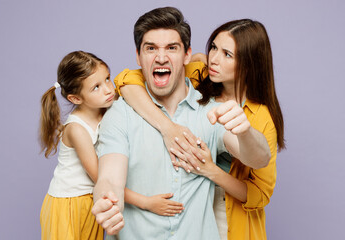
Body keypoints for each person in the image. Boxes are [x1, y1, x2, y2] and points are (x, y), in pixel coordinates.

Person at [91, 7, 271, 240]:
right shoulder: (120, 114)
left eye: (171, 48)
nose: (161, 57)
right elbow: (109, 177)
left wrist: (245, 131)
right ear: (138, 56)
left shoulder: (211, 112)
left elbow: (258, 159)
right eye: (151, 48)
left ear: (187, 55)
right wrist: (106, 200)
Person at [39, 51, 183, 240]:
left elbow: (130, 86)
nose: (108, 89)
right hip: (69, 205)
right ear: (75, 99)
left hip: (94, 201)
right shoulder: (76, 129)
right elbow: (101, 177)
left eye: (107, 79)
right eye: (96, 87)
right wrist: (147, 203)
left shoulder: (110, 110)